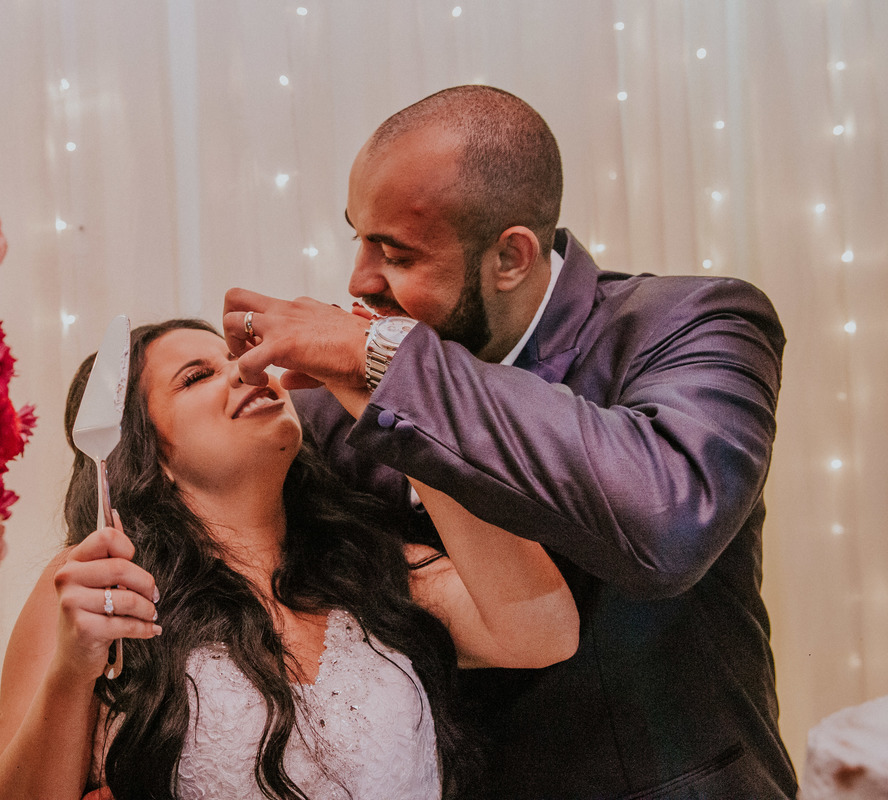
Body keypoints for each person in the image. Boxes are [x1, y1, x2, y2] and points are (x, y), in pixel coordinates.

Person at [222, 85, 796, 798]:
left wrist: (381, 359)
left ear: (511, 257)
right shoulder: (343, 403)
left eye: (396, 254)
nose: (359, 280)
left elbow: (669, 523)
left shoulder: (693, 321)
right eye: (358, 238)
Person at [0, 319, 579, 800]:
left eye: (241, 358)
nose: (248, 371)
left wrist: (397, 412)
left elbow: (545, 633)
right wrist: (71, 671)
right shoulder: (98, 588)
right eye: (197, 376)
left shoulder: (372, 565)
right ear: (148, 453)